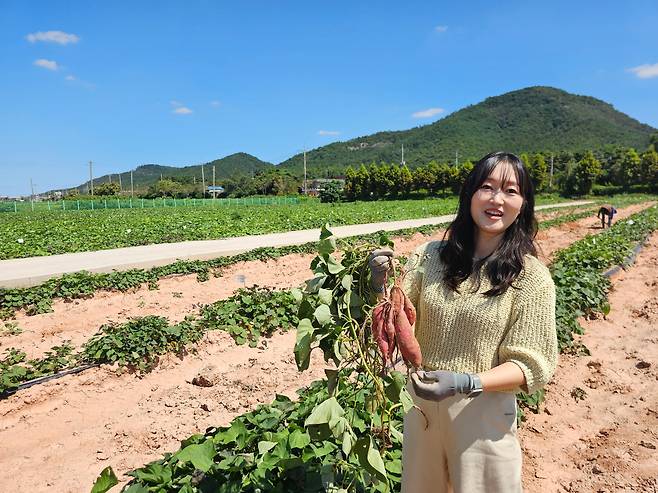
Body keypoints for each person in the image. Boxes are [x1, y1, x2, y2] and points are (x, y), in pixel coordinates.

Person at [369, 152, 558, 493]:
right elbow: (396, 315)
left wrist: (466, 381)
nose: (497, 199)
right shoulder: (429, 257)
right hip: (421, 406)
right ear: (470, 194)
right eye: (486, 187)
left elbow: (532, 366)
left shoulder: (532, 278)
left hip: (483, 412)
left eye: (511, 190)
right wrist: (379, 283)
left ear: (523, 204)